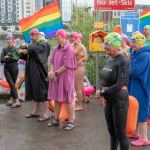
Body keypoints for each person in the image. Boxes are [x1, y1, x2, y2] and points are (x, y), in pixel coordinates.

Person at [97, 32, 129, 150]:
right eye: (105, 44)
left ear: (116, 45)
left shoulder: (123, 60)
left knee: (120, 133)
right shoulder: (108, 58)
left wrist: (102, 93)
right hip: (109, 99)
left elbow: (120, 84)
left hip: (119, 100)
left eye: (107, 44)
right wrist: (101, 92)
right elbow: (103, 78)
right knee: (111, 132)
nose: (105, 47)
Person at [17, 29, 49, 121]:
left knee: (43, 92)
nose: (31, 37)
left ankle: (46, 114)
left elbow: (34, 49)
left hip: (40, 71)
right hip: (32, 71)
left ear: (38, 35)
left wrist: (26, 46)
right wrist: (22, 52)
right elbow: (28, 54)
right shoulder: (32, 44)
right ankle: (35, 112)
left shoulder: (43, 43)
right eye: (30, 35)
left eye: (33, 35)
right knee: (35, 90)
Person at [48, 29, 77, 130]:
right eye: (56, 35)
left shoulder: (69, 49)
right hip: (56, 77)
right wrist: (51, 72)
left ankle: (71, 121)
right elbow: (51, 61)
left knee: (69, 99)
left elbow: (67, 65)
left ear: (63, 36)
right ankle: (56, 119)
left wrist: (56, 73)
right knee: (56, 98)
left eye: (58, 35)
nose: (56, 37)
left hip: (66, 77)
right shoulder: (56, 48)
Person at [128, 32, 150, 146]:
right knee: (135, 108)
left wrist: (127, 64)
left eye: (135, 42)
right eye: (132, 41)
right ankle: (136, 133)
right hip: (136, 86)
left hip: (142, 87)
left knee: (141, 111)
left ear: (141, 42)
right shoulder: (136, 53)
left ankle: (145, 138)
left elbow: (135, 71)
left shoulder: (144, 55)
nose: (132, 44)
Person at [1, 34, 21, 108]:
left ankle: (10, 99)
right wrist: (6, 59)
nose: (8, 40)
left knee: (12, 85)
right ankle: (17, 100)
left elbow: (17, 59)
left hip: (15, 69)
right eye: (7, 39)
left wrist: (8, 57)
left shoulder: (16, 49)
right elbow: (1, 60)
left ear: (13, 40)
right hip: (7, 70)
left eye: (10, 39)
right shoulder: (4, 49)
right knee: (12, 84)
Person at [70, 32, 88, 111]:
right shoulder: (74, 45)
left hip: (78, 68)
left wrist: (80, 60)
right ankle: (83, 99)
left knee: (77, 87)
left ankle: (80, 105)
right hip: (77, 67)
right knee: (80, 86)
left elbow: (85, 57)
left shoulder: (80, 46)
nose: (71, 39)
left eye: (72, 37)